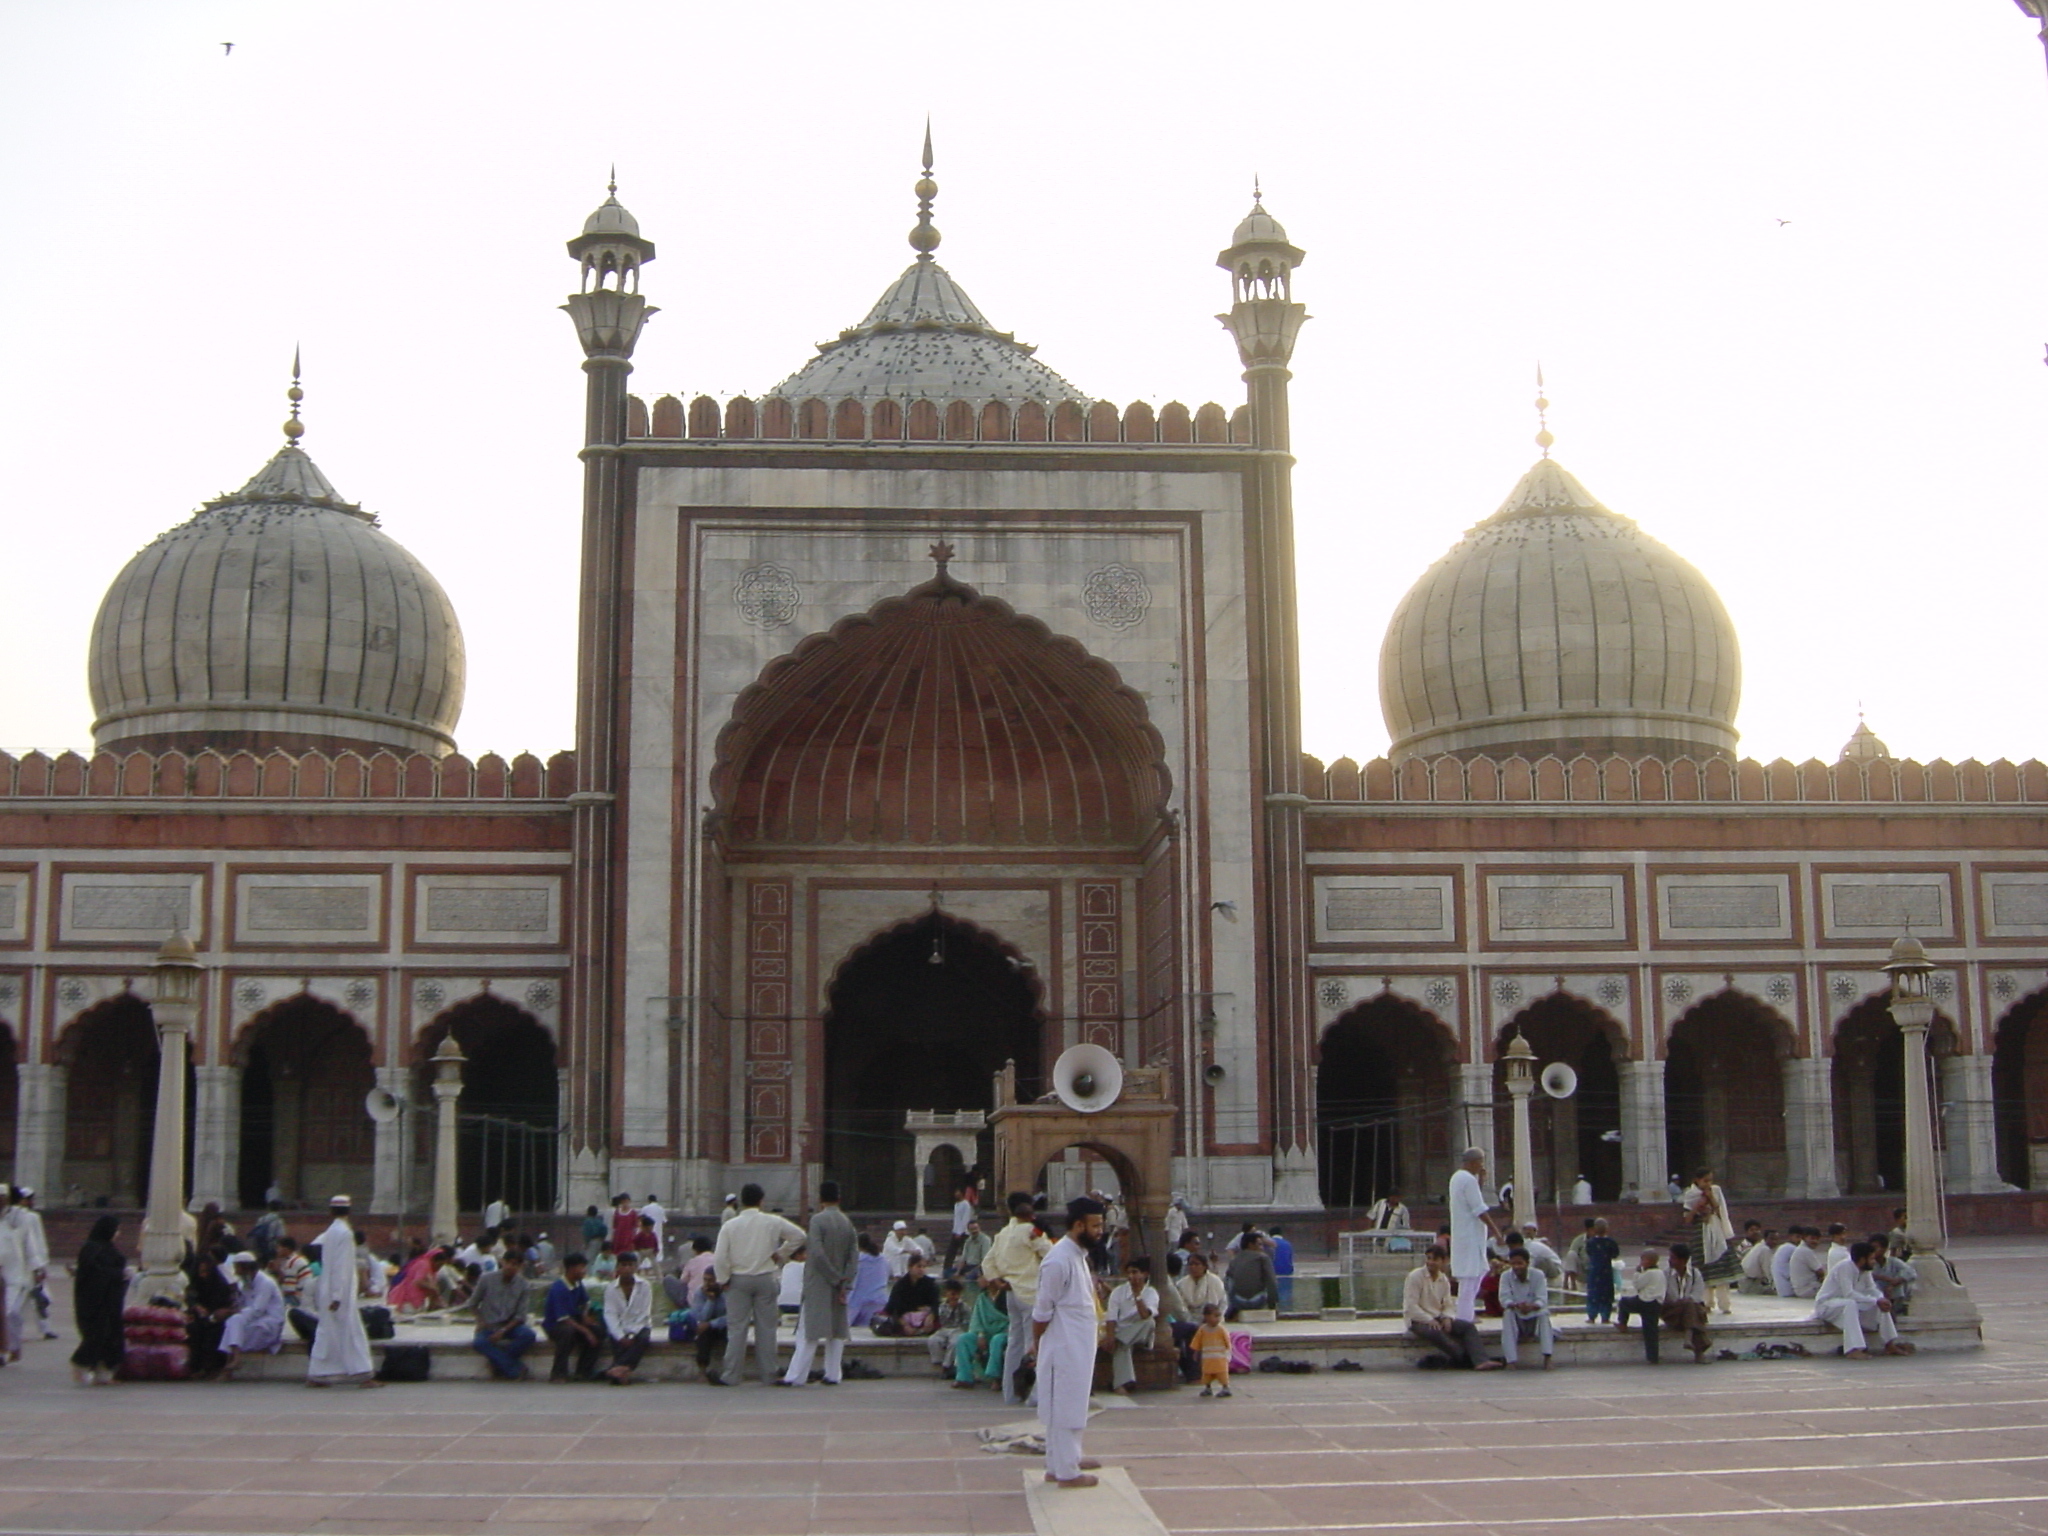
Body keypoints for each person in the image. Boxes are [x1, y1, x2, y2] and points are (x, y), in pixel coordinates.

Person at [1030, 1197, 1111, 1487]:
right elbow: (1042, 1310)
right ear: (1079, 1225)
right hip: (1063, 1345)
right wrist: (1036, 1341)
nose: (1100, 1231)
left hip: (1078, 1345)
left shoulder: (1076, 1255)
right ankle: (1067, 1472)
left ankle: (1063, 1461)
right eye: (1096, 1225)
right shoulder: (1058, 1259)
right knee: (1064, 1405)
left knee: (1072, 1403)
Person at [708, 1183, 804, 1386]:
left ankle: (731, 1375)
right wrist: (781, 1254)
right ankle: (769, 1374)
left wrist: (723, 1279)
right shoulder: (771, 1221)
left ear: (741, 1202)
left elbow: (720, 1257)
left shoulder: (730, 1225)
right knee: (767, 1328)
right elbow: (799, 1236)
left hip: (738, 1280)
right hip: (765, 1277)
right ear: (762, 1201)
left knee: (736, 1329)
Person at [783, 1179, 857, 1387]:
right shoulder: (846, 1222)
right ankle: (833, 1374)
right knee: (836, 1331)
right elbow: (853, 1254)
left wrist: (833, 1277)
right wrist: (845, 1280)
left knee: (809, 1331)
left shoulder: (817, 1220)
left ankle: (796, 1376)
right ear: (839, 1199)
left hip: (819, 1282)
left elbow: (816, 1252)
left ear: (820, 1199)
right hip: (840, 1284)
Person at [982, 1191, 1051, 1406]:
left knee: (1014, 1343)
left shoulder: (1003, 1233)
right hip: (1030, 1293)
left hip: (1010, 1291)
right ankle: (1035, 1396)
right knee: (1035, 1344)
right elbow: (1051, 1254)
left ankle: (1010, 1394)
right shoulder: (1031, 1231)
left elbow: (987, 1263)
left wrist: (996, 1281)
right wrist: (1040, 1237)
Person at [306, 1196, 380, 1388]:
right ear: (349, 1212)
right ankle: (363, 1375)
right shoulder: (345, 1234)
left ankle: (318, 1374)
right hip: (340, 1293)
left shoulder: (330, 1232)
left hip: (329, 1289)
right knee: (351, 1332)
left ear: (331, 1212)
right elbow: (340, 1267)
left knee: (328, 1331)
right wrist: (337, 1296)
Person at [1403, 1244, 1499, 1371]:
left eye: (1435, 1259)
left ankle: (1481, 1360)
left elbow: (1448, 1304)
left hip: (1437, 1317)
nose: (1430, 1262)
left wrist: (1447, 1317)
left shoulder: (1443, 1279)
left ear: (1444, 1261)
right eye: (1429, 1258)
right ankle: (1466, 1360)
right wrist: (1429, 1320)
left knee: (1468, 1327)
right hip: (1418, 1320)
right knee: (1436, 1332)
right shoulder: (1415, 1276)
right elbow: (1411, 1307)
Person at [1813, 1241, 1912, 1358]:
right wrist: (1875, 1300)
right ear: (1861, 1259)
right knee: (1850, 1304)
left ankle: (1890, 1345)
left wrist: (1881, 1299)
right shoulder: (1844, 1267)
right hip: (1827, 1305)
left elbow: (1872, 1289)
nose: (1874, 1262)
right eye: (1871, 1259)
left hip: (1848, 1305)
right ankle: (1853, 1349)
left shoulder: (1866, 1270)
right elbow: (1849, 1294)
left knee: (1881, 1305)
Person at [69, 1215, 126, 1385]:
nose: (118, 1233)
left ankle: (104, 1372)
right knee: (97, 1335)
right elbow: (94, 1274)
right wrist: (117, 1274)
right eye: (115, 1229)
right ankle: (81, 1365)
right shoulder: (91, 1249)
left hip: (110, 1301)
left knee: (112, 1336)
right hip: (94, 1302)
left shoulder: (108, 1249)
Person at [1448, 1147, 1501, 1325]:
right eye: (1480, 1161)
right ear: (1473, 1162)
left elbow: (1472, 1197)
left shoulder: (1458, 1177)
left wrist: (1480, 1181)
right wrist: (1497, 1231)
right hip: (1470, 1235)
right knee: (1470, 1276)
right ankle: (1465, 1315)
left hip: (1465, 1235)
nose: (1482, 1165)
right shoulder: (1467, 1179)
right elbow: (1479, 1208)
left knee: (1476, 1273)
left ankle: (1466, 1312)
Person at [470, 1248, 535, 1380]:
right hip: (489, 1325)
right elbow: (472, 1303)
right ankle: (515, 1369)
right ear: (502, 1262)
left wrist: (504, 1330)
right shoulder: (486, 1279)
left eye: (515, 1264)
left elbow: (521, 1316)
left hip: (510, 1325)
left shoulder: (524, 1285)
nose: (511, 1267)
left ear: (520, 1266)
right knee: (479, 1343)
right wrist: (480, 1321)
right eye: (509, 1263)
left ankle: (499, 1364)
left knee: (528, 1335)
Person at [218, 1252, 286, 1377]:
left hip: (270, 1324)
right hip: (254, 1322)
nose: (236, 1273)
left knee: (235, 1322)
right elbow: (243, 1306)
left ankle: (232, 1362)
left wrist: (231, 1312)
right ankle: (233, 1361)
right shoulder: (246, 1285)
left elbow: (257, 1310)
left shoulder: (266, 1283)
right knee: (233, 1323)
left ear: (246, 1268)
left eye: (238, 1269)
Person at [543, 1252, 605, 1382]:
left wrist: (586, 1317)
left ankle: (584, 1371)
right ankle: (558, 1373)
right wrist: (586, 1331)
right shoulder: (559, 1288)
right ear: (571, 1269)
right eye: (581, 1267)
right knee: (567, 1332)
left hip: (574, 1320)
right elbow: (564, 1318)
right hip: (556, 1325)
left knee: (598, 1331)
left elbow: (585, 1303)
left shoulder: (578, 1284)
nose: (584, 1270)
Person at [1683, 1168, 1737, 1314]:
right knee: (1703, 1270)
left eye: (1710, 1180)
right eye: (1705, 1181)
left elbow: (1720, 1211)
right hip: (1700, 1233)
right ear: (1697, 1180)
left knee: (1721, 1268)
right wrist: (1698, 1206)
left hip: (1717, 1232)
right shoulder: (1690, 1194)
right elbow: (1687, 1219)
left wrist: (1710, 1197)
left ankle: (1725, 1304)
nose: (1708, 1183)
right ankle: (1707, 1302)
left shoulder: (1716, 1191)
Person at [1105, 1257, 1160, 1393]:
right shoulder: (1118, 1292)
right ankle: (1122, 1384)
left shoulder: (1151, 1293)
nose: (1131, 1276)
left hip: (1141, 1332)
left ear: (1145, 1274)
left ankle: (1120, 1341)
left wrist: (1137, 1295)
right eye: (1129, 1273)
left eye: (1135, 1272)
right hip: (1122, 1332)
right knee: (1123, 1346)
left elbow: (1145, 1315)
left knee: (1149, 1322)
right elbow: (1111, 1316)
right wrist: (1110, 1336)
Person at [7, 1188, 54, 1340]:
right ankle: (13, 1334)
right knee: (16, 1305)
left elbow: (35, 1242)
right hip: (15, 1270)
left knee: (40, 1300)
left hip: (28, 1267)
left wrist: (39, 1265)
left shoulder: (29, 1217)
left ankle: (45, 1328)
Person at [601, 1250, 652, 1384]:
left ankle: (616, 1369)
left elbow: (644, 1312)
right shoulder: (611, 1288)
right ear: (617, 1267)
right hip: (620, 1326)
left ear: (636, 1267)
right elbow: (610, 1314)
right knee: (616, 1341)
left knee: (642, 1339)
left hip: (640, 1325)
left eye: (630, 1265)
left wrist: (632, 1334)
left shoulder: (645, 1286)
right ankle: (622, 1373)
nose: (627, 1269)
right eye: (623, 1265)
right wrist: (620, 1335)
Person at [1497, 1248, 1553, 1370]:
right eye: (1513, 1264)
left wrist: (1531, 1306)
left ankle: (1548, 1357)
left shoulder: (1538, 1275)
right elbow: (1504, 1299)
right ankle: (1511, 1361)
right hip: (1517, 1315)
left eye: (1520, 1263)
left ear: (1527, 1263)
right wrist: (1517, 1305)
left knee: (1544, 1314)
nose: (1517, 1267)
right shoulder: (1506, 1276)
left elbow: (1542, 1299)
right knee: (1508, 1314)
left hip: (1534, 1315)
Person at [953, 1273, 1009, 1388]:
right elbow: (976, 1319)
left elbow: (1013, 1319)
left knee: (997, 1340)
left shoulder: (1007, 1296)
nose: (978, 1280)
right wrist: (980, 1334)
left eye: (981, 1276)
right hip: (985, 1332)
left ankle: (995, 1377)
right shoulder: (982, 1298)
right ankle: (964, 1377)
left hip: (1004, 1332)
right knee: (964, 1339)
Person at [1661, 1243, 1713, 1363]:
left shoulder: (1695, 1274)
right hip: (1673, 1312)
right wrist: (1684, 1302)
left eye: (1673, 1257)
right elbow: (1669, 1297)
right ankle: (1699, 1350)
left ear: (1682, 1260)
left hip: (1688, 1312)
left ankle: (1689, 1337)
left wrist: (1687, 1302)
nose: (1670, 1260)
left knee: (1691, 1307)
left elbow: (1697, 1295)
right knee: (1692, 1308)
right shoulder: (1665, 1274)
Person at [1615, 1249, 1665, 1363]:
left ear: (1648, 1261)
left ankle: (1622, 1323)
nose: (1641, 1262)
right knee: (1651, 1330)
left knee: (1624, 1302)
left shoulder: (1648, 1273)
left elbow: (1637, 1285)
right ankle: (1653, 1356)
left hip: (1645, 1301)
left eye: (1642, 1260)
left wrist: (1637, 1272)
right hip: (1656, 1303)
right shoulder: (1660, 1273)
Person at [878, 1252, 941, 1335]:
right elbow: (893, 1308)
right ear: (910, 1267)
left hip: (923, 1318)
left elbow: (936, 1303)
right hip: (903, 1318)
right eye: (918, 1266)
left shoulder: (930, 1283)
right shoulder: (900, 1285)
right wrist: (905, 1324)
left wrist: (931, 1316)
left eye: (924, 1267)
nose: (921, 1269)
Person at [1224, 1233, 1277, 1318]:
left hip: (1238, 1302)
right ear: (1250, 1245)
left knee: (1229, 1280)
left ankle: (1231, 1309)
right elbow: (1272, 1282)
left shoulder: (1235, 1260)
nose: (1262, 1248)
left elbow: (1228, 1283)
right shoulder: (1263, 1258)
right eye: (1259, 1245)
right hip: (1257, 1301)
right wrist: (1272, 1305)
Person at [847, 1233, 890, 1329]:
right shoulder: (884, 1259)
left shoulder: (858, 1261)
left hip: (861, 1304)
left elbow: (852, 1284)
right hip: (881, 1301)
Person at [387, 1245, 448, 1313]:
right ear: (433, 1260)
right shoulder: (423, 1264)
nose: (439, 1268)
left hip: (418, 1301)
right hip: (408, 1300)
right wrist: (432, 1288)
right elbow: (418, 1281)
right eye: (439, 1265)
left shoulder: (432, 1272)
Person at [927, 1279, 970, 1372]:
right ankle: (938, 1362)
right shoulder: (942, 1306)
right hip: (944, 1329)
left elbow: (966, 1323)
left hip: (958, 1329)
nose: (955, 1297)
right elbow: (943, 1320)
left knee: (955, 1342)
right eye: (952, 1294)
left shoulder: (964, 1307)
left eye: (957, 1294)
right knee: (933, 1340)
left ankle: (947, 1365)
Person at [1871, 1233, 1918, 1316]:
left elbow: (1911, 1272)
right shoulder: (1869, 1263)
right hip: (1875, 1299)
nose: (1873, 1251)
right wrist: (1883, 1278)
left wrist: (1894, 1282)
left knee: (1901, 1277)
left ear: (1884, 1249)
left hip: (1893, 1297)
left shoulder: (1892, 1261)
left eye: (1876, 1248)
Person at [1192, 1302, 1233, 1398]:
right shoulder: (1202, 1330)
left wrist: (1229, 1353)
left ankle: (1225, 1387)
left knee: (1222, 1374)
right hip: (1207, 1359)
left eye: (1219, 1316)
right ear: (1206, 1317)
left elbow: (1227, 1342)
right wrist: (1196, 1352)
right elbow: (1197, 1342)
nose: (1217, 1319)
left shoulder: (1221, 1329)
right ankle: (1207, 1388)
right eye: (1215, 1316)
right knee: (1207, 1374)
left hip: (1220, 1358)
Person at [1583, 1218, 1620, 1323]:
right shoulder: (1611, 1242)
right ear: (1607, 1229)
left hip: (1594, 1271)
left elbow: (1589, 1253)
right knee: (1606, 1294)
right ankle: (1605, 1316)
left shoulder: (1590, 1242)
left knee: (1593, 1294)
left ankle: (1591, 1316)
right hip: (1606, 1271)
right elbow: (1615, 1254)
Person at [690, 1277, 729, 1376]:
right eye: (705, 1280)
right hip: (708, 1327)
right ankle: (702, 1369)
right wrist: (710, 1300)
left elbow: (732, 1316)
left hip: (725, 1326)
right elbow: (702, 1317)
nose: (707, 1284)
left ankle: (730, 1369)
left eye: (711, 1281)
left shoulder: (728, 1293)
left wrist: (711, 1323)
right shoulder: (700, 1293)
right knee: (703, 1335)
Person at [946, 1182, 977, 1274]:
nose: (956, 1194)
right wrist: (955, 1231)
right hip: (956, 1232)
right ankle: (947, 1269)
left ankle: (967, 1269)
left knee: (965, 1252)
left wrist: (960, 1232)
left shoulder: (965, 1204)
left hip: (963, 1233)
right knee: (951, 1252)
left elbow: (965, 1220)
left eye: (958, 1192)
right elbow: (957, 1220)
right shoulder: (957, 1205)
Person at [1789, 1228, 1829, 1299]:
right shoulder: (1805, 1251)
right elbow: (1821, 1272)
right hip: (1807, 1290)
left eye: (1817, 1239)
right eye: (1812, 1238)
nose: (1815, 1241)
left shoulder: (1801, 1249)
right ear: (1804, 1238)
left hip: (1802, 1289)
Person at [1740, 1230, 1780, 1295]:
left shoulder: (1759, 1246)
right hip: (1750, 1284)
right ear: (1765, 1238)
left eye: (1776, 1239)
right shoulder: (1765, 1250)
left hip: (1744, 1282)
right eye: (1772, 1239)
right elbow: (1768, 1272)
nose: (1774, 1242)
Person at [955, 1218, 991, 1283]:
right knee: (948, 1273)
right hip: (968, 1266)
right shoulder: (968, 1241)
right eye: (972, 1229)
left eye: (976, 1228)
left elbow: (984, 1261)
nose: (974, 1231)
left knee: (968, 1278)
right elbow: (963, 1258)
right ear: (968, 1230)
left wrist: (970, 1273)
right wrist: (958, 1272)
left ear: (979, 1228)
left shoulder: (985, 1240)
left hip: (979, 1268)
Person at [1268, 1226, 1296, 1309]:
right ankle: (1286, 1307)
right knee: (1285, 1293)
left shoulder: (1268, 1244)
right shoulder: (1287, 1244)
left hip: (1273, 1271)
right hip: (1286, 1271)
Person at [776, 1244, 807, 1318]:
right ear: (798, 1255)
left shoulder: (786, 1267)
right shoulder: (804, 1266)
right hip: (799, 1304)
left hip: (782, 1304)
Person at [1772, 1227, 1801, 1298]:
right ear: (1790, 1237)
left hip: (1779, 1288)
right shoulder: (1793, 1249)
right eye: (1797, 1237)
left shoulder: (1782, 1247)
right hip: (1788, 1288)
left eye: (1801, 1237)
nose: (1799, 1240)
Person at [640, 1194, 668, 1260]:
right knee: (658, 1242)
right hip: (658, 1229)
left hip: (647, 1230)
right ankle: (659, 1258)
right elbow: (664, 1221)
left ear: (648, 1200)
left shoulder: (645, 1208)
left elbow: (640, 1219)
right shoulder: (661, 1209)